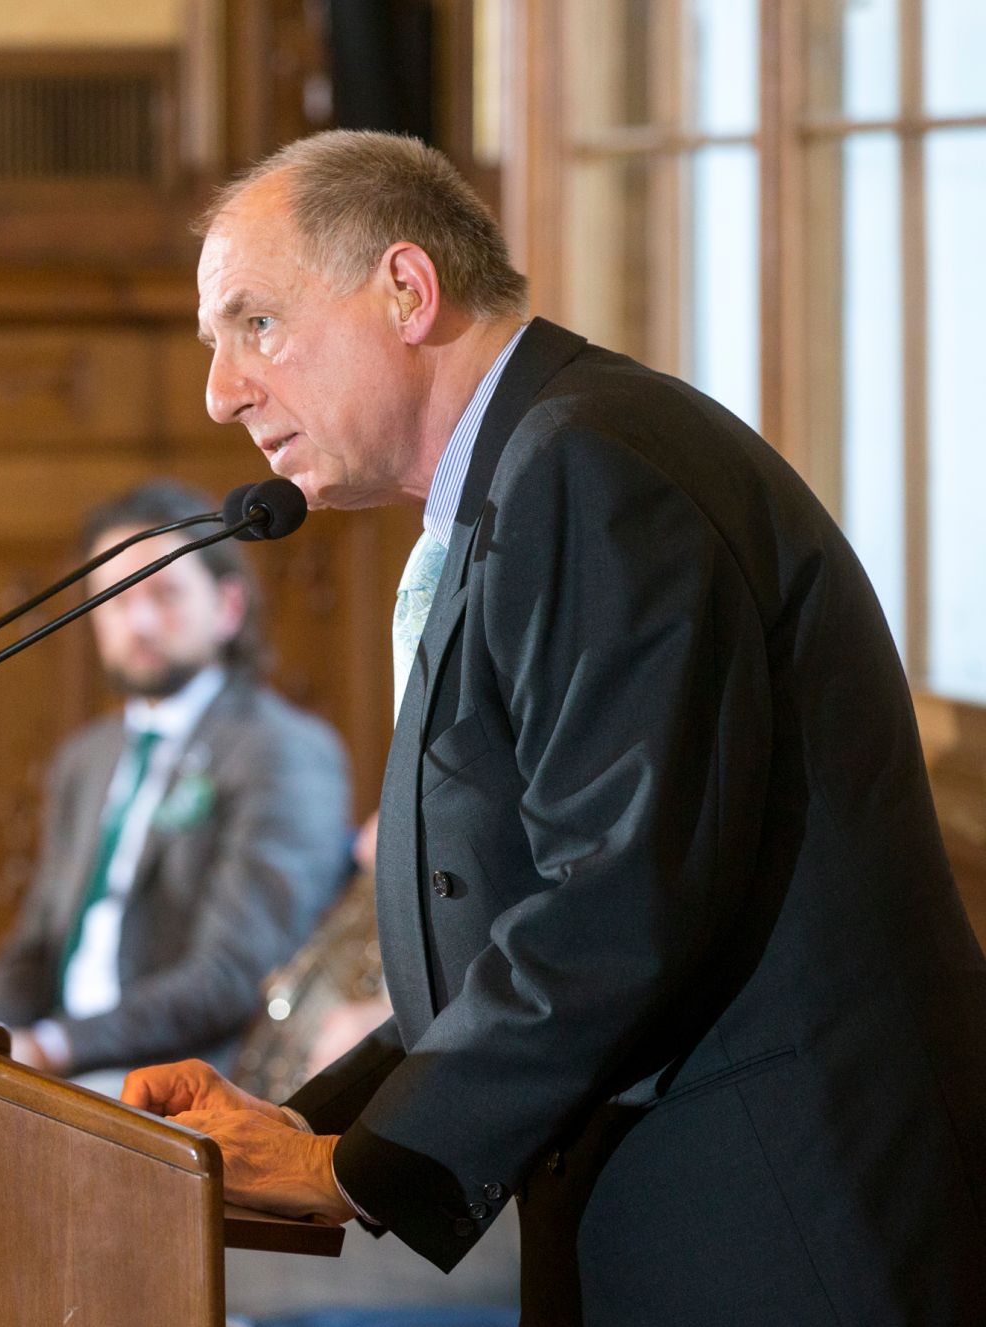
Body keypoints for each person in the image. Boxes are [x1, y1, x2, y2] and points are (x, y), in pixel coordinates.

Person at [124, 131, 986, 1324]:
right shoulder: (522, 475)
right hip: (685, 1198)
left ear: (405, 289)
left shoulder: (588, 465)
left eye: (254, 323)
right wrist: (313, 1130)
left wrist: (356, 1167)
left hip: (781, 1215)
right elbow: (515, 919)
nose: (221, 388)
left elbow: (620, 897)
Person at [0, 480, 350, 1087]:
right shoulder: (84, 760)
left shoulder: (282, 750)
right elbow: (36, 946)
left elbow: (234, 973)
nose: (139, 621)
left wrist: (52, 1046)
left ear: (228, 607)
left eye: (164, 594)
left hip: (186, 1087)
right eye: (117, 599)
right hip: (59, 1074)